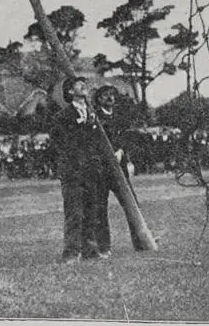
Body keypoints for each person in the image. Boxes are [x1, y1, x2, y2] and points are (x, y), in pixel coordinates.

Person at [49, 77, 103, 263]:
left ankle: (90, 250)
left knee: (91, 211)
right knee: (74, 213)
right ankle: (71, 253)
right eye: (79, 84)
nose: (84, 85)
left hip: (91, 170)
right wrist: (82, 125)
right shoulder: (62, 116)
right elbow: (62, 142)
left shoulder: (93, 114)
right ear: (70, 92)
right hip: (73, 171)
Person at [92, 85, 142, 255]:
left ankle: (141, 241)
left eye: (112, 95)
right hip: (101, 170)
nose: (110, 98)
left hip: (119, 169)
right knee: (100, 208)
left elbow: (126, 138)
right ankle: (103, 247)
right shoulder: (95, 118)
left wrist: (121, 152)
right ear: (99, 99)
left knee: (132, 205)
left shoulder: (120, 118)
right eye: (105, 95)